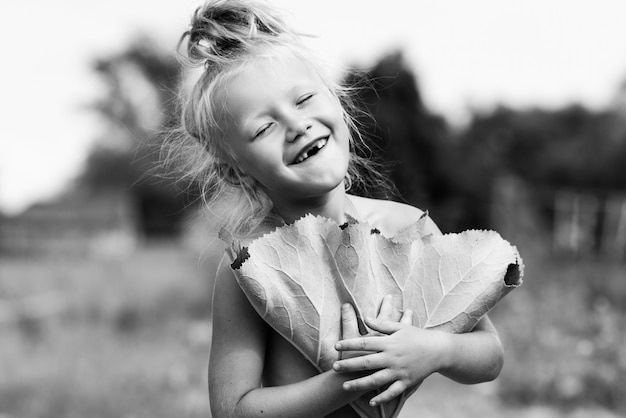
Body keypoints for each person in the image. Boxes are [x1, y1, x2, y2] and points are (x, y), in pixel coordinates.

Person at [170, 1, 504, 416]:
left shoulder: (407, 228)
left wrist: (433, 349)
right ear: (236, 172)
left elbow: (489, 355)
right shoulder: (251, 265)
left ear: (337, 101)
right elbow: (232, 410)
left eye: (305, 99)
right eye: (263, 127)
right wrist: (347, 380)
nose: (297, 125)